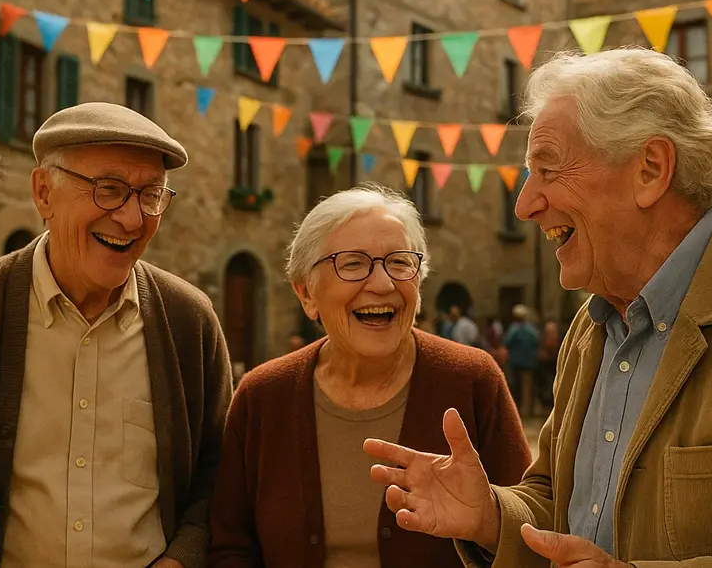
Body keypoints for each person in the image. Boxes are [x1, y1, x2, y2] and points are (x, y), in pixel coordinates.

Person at [364, 48, 712, 565]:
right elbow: (561, 509)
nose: (524, 205)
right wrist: (491, 516)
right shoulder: (595, 323)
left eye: (548, 170)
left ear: (650, 170)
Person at [0, 102, 232, 568]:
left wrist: (181, 559)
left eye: (151, 195)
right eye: (110, 190)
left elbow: (219, 473)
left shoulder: (188, 321)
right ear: (43, 193)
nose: (133, 219)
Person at [209, 185, 531, 567]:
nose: (382, 284)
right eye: (352, 264)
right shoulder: (262, 397)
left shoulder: (472, 381)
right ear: (306, 293)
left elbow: (531, 533)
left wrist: (490, 523)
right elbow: (230, 547)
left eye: (399, 263)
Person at [503, 304, 541, 418]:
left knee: (517, 386)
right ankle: (529, 409)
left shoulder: (514, 329)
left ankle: (518, 410)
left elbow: (507, 341)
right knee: (528, 386)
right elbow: (537, 340)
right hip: (530, 362)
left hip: (517, 363)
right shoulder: (531, 329)